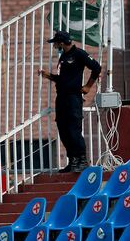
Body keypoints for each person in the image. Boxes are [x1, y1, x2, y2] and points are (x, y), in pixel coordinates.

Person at [39, 30, 102, 173]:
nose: (54, 45)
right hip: (62, 98)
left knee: (74, 130)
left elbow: (96, 68)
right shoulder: (63, 57)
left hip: (73, 98)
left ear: (61, 42)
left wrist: (87, 86)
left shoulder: (79, 53)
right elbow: (64, 79)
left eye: (55, 42)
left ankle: (82, 160)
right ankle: (73, 160)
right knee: (63, 130)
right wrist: (49, 76)